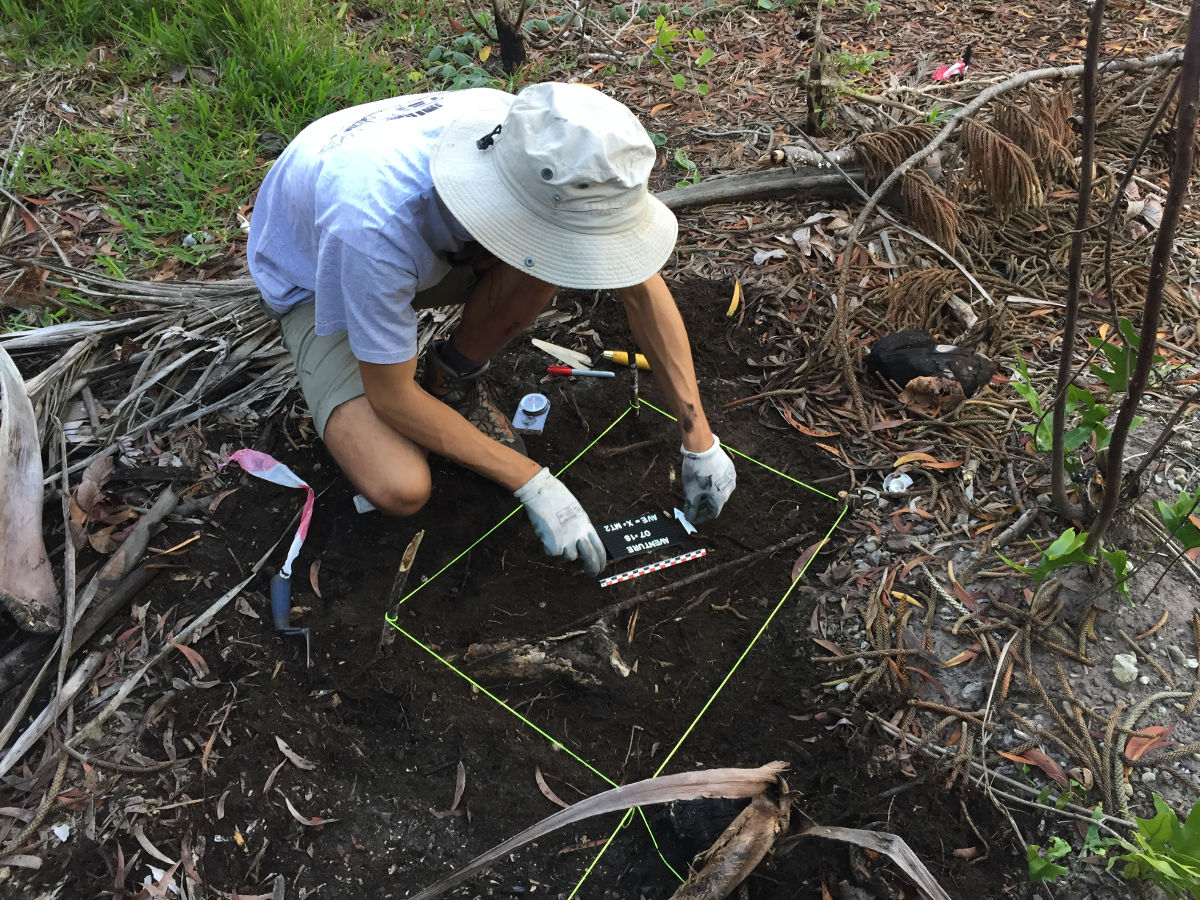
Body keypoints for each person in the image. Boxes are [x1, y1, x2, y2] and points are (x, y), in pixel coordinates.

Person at [247, 82, 735, 577]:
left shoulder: (543, 142)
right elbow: (390, 395)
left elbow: (639, 283)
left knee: (559, 255)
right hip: (317, 277)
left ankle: (450, 380)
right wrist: (533, 482)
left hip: (418, 243)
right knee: (400, 485)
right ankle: (414, 388)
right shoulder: (369, 227)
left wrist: (700, 438)